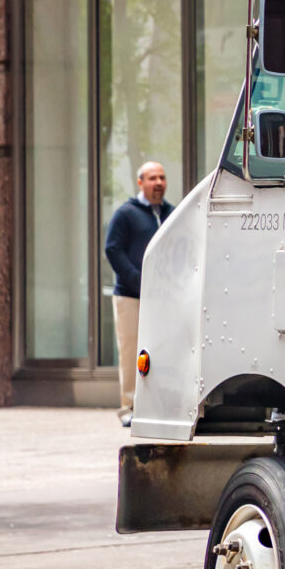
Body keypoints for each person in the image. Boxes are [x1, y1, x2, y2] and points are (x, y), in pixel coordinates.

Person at [105, 161, 171, 418]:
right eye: (152, 178)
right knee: (132, 350)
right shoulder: (125, 214)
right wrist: (137, 279)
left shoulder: (171, 214)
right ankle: (128, 408)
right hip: (130, 296)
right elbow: (113, 249)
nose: (158, 183)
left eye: (162, 178)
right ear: (140, 183)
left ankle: (158, 405)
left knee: (163, 350)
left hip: (163, 298)